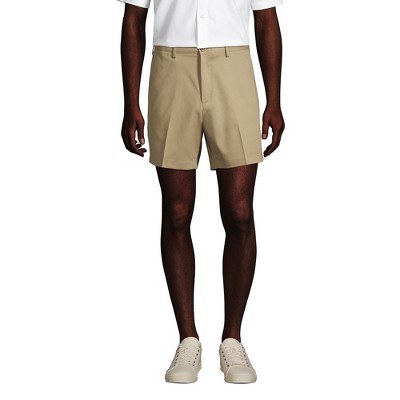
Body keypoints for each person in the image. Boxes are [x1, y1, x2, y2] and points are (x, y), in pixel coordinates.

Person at [117, 0, 285, 384]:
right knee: (176, 210)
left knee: (239, 211)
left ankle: (233, 339)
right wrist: (130, 102)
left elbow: (266, 19)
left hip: (233, 65)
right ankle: (187, 339)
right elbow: (133, 19)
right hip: (170, 67)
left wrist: (274, 100)